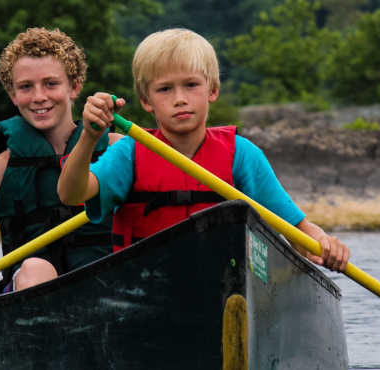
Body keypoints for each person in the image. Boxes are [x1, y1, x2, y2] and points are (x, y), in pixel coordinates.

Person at [57, 28, 350, 271]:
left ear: (212, 90)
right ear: (147, 101)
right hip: (147, 284)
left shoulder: (242, 155)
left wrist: (323, 243)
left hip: (225, 279)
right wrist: (90, 137)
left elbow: (298, 230)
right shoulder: (130, 154)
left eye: (191, 85)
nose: (180, 99)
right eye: (165, 89)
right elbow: (70, 193)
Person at [0, 27, 122, 298]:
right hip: (29, 293)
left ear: (75, 86)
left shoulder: (117, 149)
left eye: (51, 83)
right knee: (36, 268)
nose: (39, 97)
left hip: (109, 286)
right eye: (26, 87)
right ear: (12, 95)